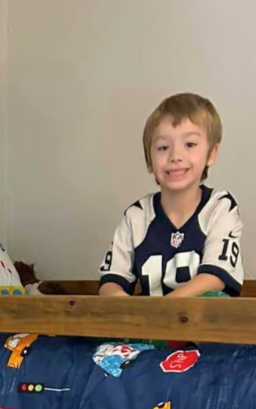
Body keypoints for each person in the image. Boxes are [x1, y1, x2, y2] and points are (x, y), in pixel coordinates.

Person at [98, 92, 243, 299]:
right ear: (149, 160)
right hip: (147, 325)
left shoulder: (220, 207)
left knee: (214, 298)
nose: (175, 156)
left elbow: (214, 277)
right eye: (163, 148)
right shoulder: (136, 216)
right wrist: (125, 308)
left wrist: (163, 311)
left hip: (202, 323)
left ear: (211, 154)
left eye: (190, 145)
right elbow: (111, 281)